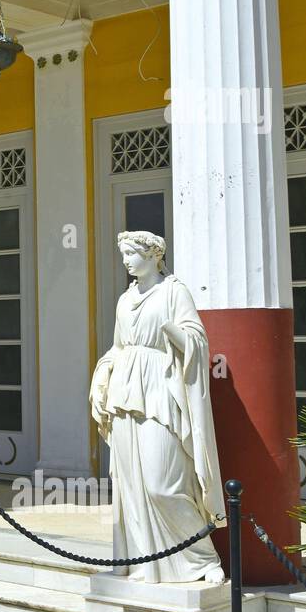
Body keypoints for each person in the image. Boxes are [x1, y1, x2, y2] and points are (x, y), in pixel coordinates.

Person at [89, 231, 226, 584]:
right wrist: (103, 373)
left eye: (131, 254)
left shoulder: (173, 291)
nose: (125, 261)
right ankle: (140, 561)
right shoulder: (124, 300)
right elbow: (119, 347)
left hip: (160, 390)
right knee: (129, 485)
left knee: (161, 484)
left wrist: (171, 330)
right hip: (125, 392)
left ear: (152, 255)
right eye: (123, 255)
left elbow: (196, 341)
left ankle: (202, 558)